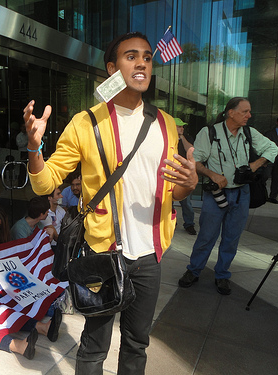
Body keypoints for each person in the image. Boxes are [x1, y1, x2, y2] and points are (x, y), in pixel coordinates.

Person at [24, 31, 198, 375]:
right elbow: (45, 181)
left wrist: (189, 185)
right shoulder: (86, 123)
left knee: (138, 342)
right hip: (103, 252)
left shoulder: (165, 123)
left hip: (150, 255)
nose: (142, 63)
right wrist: (33, 148)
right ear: (112, 68)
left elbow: (173, 191)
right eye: (131, 56)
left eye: (147, 57)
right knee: (94, 345)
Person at [178, 97, 278, 295]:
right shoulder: (210, 132)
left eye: (249, 112)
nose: (249, 116)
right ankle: (194, 270)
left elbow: (272, 148)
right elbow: (196, 161)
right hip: (216, 194)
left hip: (242, 193)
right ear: (230, 112)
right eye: (245, 111)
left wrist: (254, 166)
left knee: (231, 238)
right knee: (206, 236)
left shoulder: (249, 132)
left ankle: (222, 275)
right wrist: (212, 174)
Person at [175, 118, 197, 235]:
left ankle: (189, 224)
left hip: (183, 174)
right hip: (170, 172)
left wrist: (182, 137)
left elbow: (191, 150)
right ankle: (171, 221)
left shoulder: (186, 138)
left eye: (182, 126)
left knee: (186, 201)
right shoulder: (167, 137)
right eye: (179, 126)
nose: (182, 128)